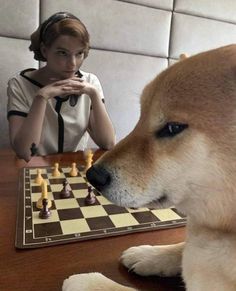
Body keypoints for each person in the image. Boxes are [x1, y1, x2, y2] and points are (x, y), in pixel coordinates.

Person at [7, 12, 115, 162]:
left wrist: (94, 94)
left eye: (79, 53)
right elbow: (24, 152)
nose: (72, 64)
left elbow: (108, 143)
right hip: (36, 172)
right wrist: (41, 97)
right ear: (45, 50)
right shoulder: (19, 84)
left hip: (75, 171)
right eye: (62, 53)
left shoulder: (90, 81)